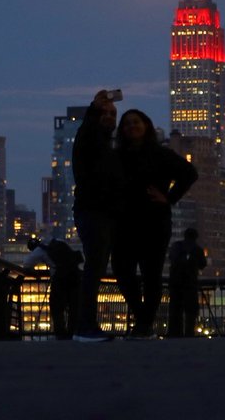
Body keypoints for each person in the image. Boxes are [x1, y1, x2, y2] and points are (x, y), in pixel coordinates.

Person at [111, 109, 197, 339]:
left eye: (136, 122)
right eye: (127, 124)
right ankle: (143, 319)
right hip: (124, 223)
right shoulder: (117, 156)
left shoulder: (160, 154)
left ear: (146, 125)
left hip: (154, 222)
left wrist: (169, 197)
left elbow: (189, 173)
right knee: (121, 270)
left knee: (152, 275)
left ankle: (143, 325)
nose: (131, 126)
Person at [71, 90, 124, 342]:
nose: (109, 116)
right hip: (92, 212)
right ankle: (85, 327)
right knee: (94, 269)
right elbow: (87, 131)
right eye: (105, 112)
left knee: (96, 269)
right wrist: (94, 108)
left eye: (113, 113)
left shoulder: (106, 144)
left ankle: (85, 326)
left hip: (101, 213)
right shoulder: (90, 137)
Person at [24, 236, 83, 340]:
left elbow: (27, 264)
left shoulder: (39, 250)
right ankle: (73, 333)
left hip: (60, 278)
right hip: (75, 276)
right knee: (74, 306)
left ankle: (61, 334)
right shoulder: (58, 240)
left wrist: (35, 273)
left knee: (56, 307)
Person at [167, 228, 207, 337]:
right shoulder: (197, 249)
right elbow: (203, 264)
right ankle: (189, 334)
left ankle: (174, 334)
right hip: (191, 284)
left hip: (175, 284)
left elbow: (171, 258)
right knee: (190, 312)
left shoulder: (176, 246)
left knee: (175, 311)